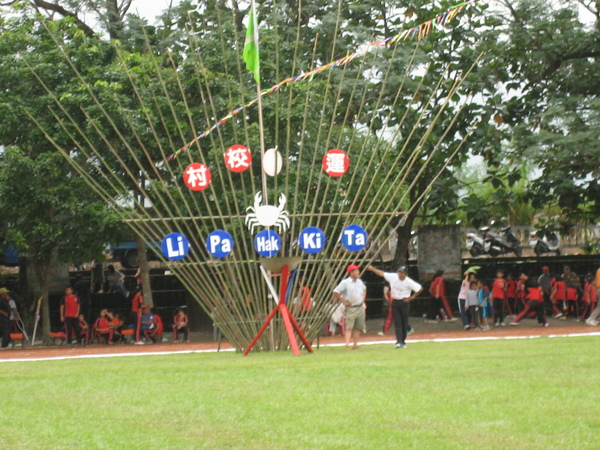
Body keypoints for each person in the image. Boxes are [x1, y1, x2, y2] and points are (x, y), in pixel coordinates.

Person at [366, 264, 422, 349]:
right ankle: (398, 341)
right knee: (397, 322)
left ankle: (403, 341)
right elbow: (382, 273)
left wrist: (411, 297)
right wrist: (372, 269)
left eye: (402, 273)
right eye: (399, 272)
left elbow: (419, 288)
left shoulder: (408, 281)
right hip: (395, 301)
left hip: (404, 302)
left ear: (405, 274)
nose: (400, 274)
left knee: (404, 322)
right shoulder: (393, 277)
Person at [332, 264, 367, 350]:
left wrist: (363, 301)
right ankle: (347, 344)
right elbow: (335, 292)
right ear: (351, 272)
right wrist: (343, 301)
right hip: (351, 308)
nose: (358, 272)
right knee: (349, 327)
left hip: (359, 307)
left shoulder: (359, 281)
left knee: (358, 327)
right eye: (356, 270)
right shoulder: (345, 282)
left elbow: (364, 289)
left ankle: (355, 344)